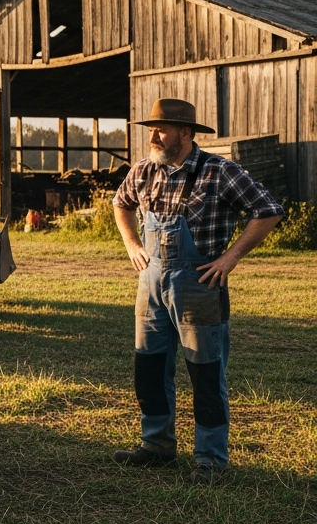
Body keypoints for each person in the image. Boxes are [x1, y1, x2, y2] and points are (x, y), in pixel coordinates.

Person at [111, 98, 283, 484]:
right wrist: (132, 244)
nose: (154, 136)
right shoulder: (143, 170)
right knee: (149, 369)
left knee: (205, 374)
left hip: (199, 286)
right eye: (152, 129)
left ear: (185, 134)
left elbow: (269, 210)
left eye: (162, 130)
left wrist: (230, 258)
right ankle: (156, 445)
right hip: (151, 283)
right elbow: (121, 204)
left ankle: (210, 459)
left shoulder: (219, 171)